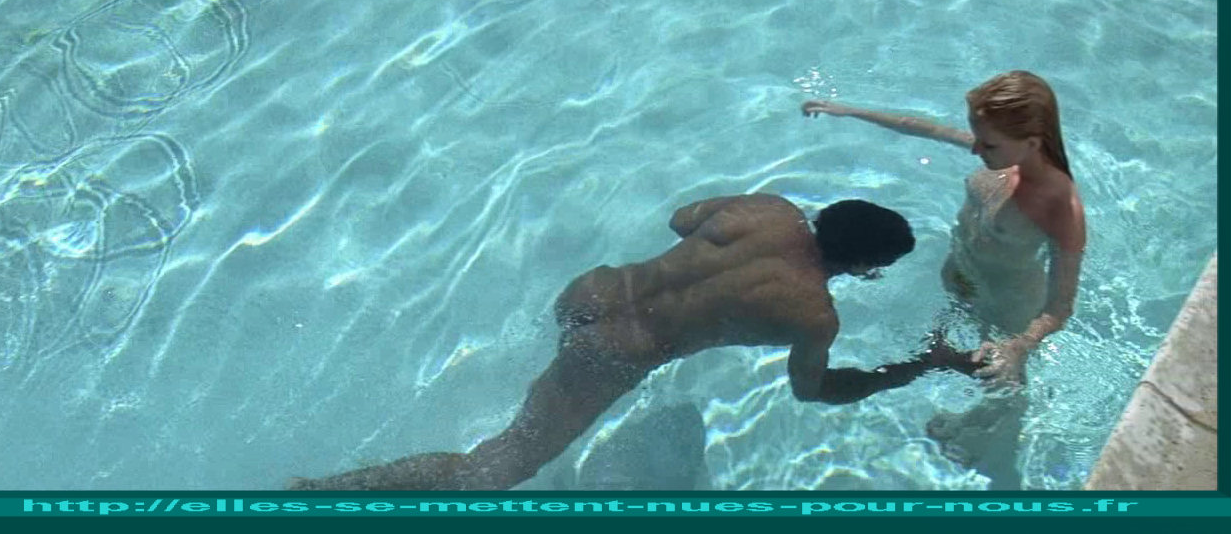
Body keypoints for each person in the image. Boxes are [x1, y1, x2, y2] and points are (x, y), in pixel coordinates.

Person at [289, 194, 982, 491]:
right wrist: (918, 366)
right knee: (499, 467)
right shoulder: (813, 314)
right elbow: (815, 390)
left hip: (589, 294)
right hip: (615, 351)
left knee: (531, 413)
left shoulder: (769, 209)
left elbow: (682, 218)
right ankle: (326, 493)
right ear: (865, 267)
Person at [801, 70, 1087, 488]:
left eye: (988, 144)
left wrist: (1020, 346)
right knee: (950, 352)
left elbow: (1061, 306)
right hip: (961, 276)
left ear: (1031, 142)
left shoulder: (1061, 206)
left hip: (1007, 302)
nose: (976, 148)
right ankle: (963, 405)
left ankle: (1001, 460)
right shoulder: (1004, 155)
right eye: (977, 137)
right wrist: (846, 110)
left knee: (1003, 381)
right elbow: (921, 127)